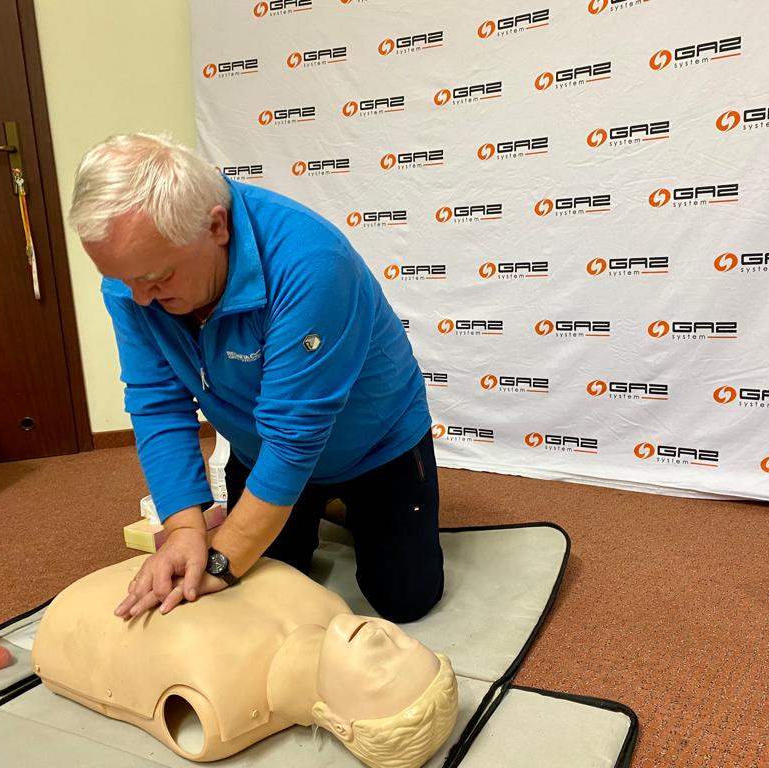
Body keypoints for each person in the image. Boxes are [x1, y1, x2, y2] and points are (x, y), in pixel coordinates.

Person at [68, 133, 443, 623]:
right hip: (258, 447)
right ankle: (314, 507)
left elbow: (293, 438)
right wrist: (185, 529)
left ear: (216, 226)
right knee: (260, 601)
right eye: (124, 280)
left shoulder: (311, 263)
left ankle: (347, 505)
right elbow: (158, 402)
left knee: (407, 601)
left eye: (158, 279)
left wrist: (220, 562)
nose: (139, 298)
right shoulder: (133, 280)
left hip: (375, 446)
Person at [32, 556, 458, 767]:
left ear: (341, 724)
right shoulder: (331, 608)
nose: (383, 636)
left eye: (382, 671)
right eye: (407, 643)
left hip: (78, 614)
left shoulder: (223, 708)